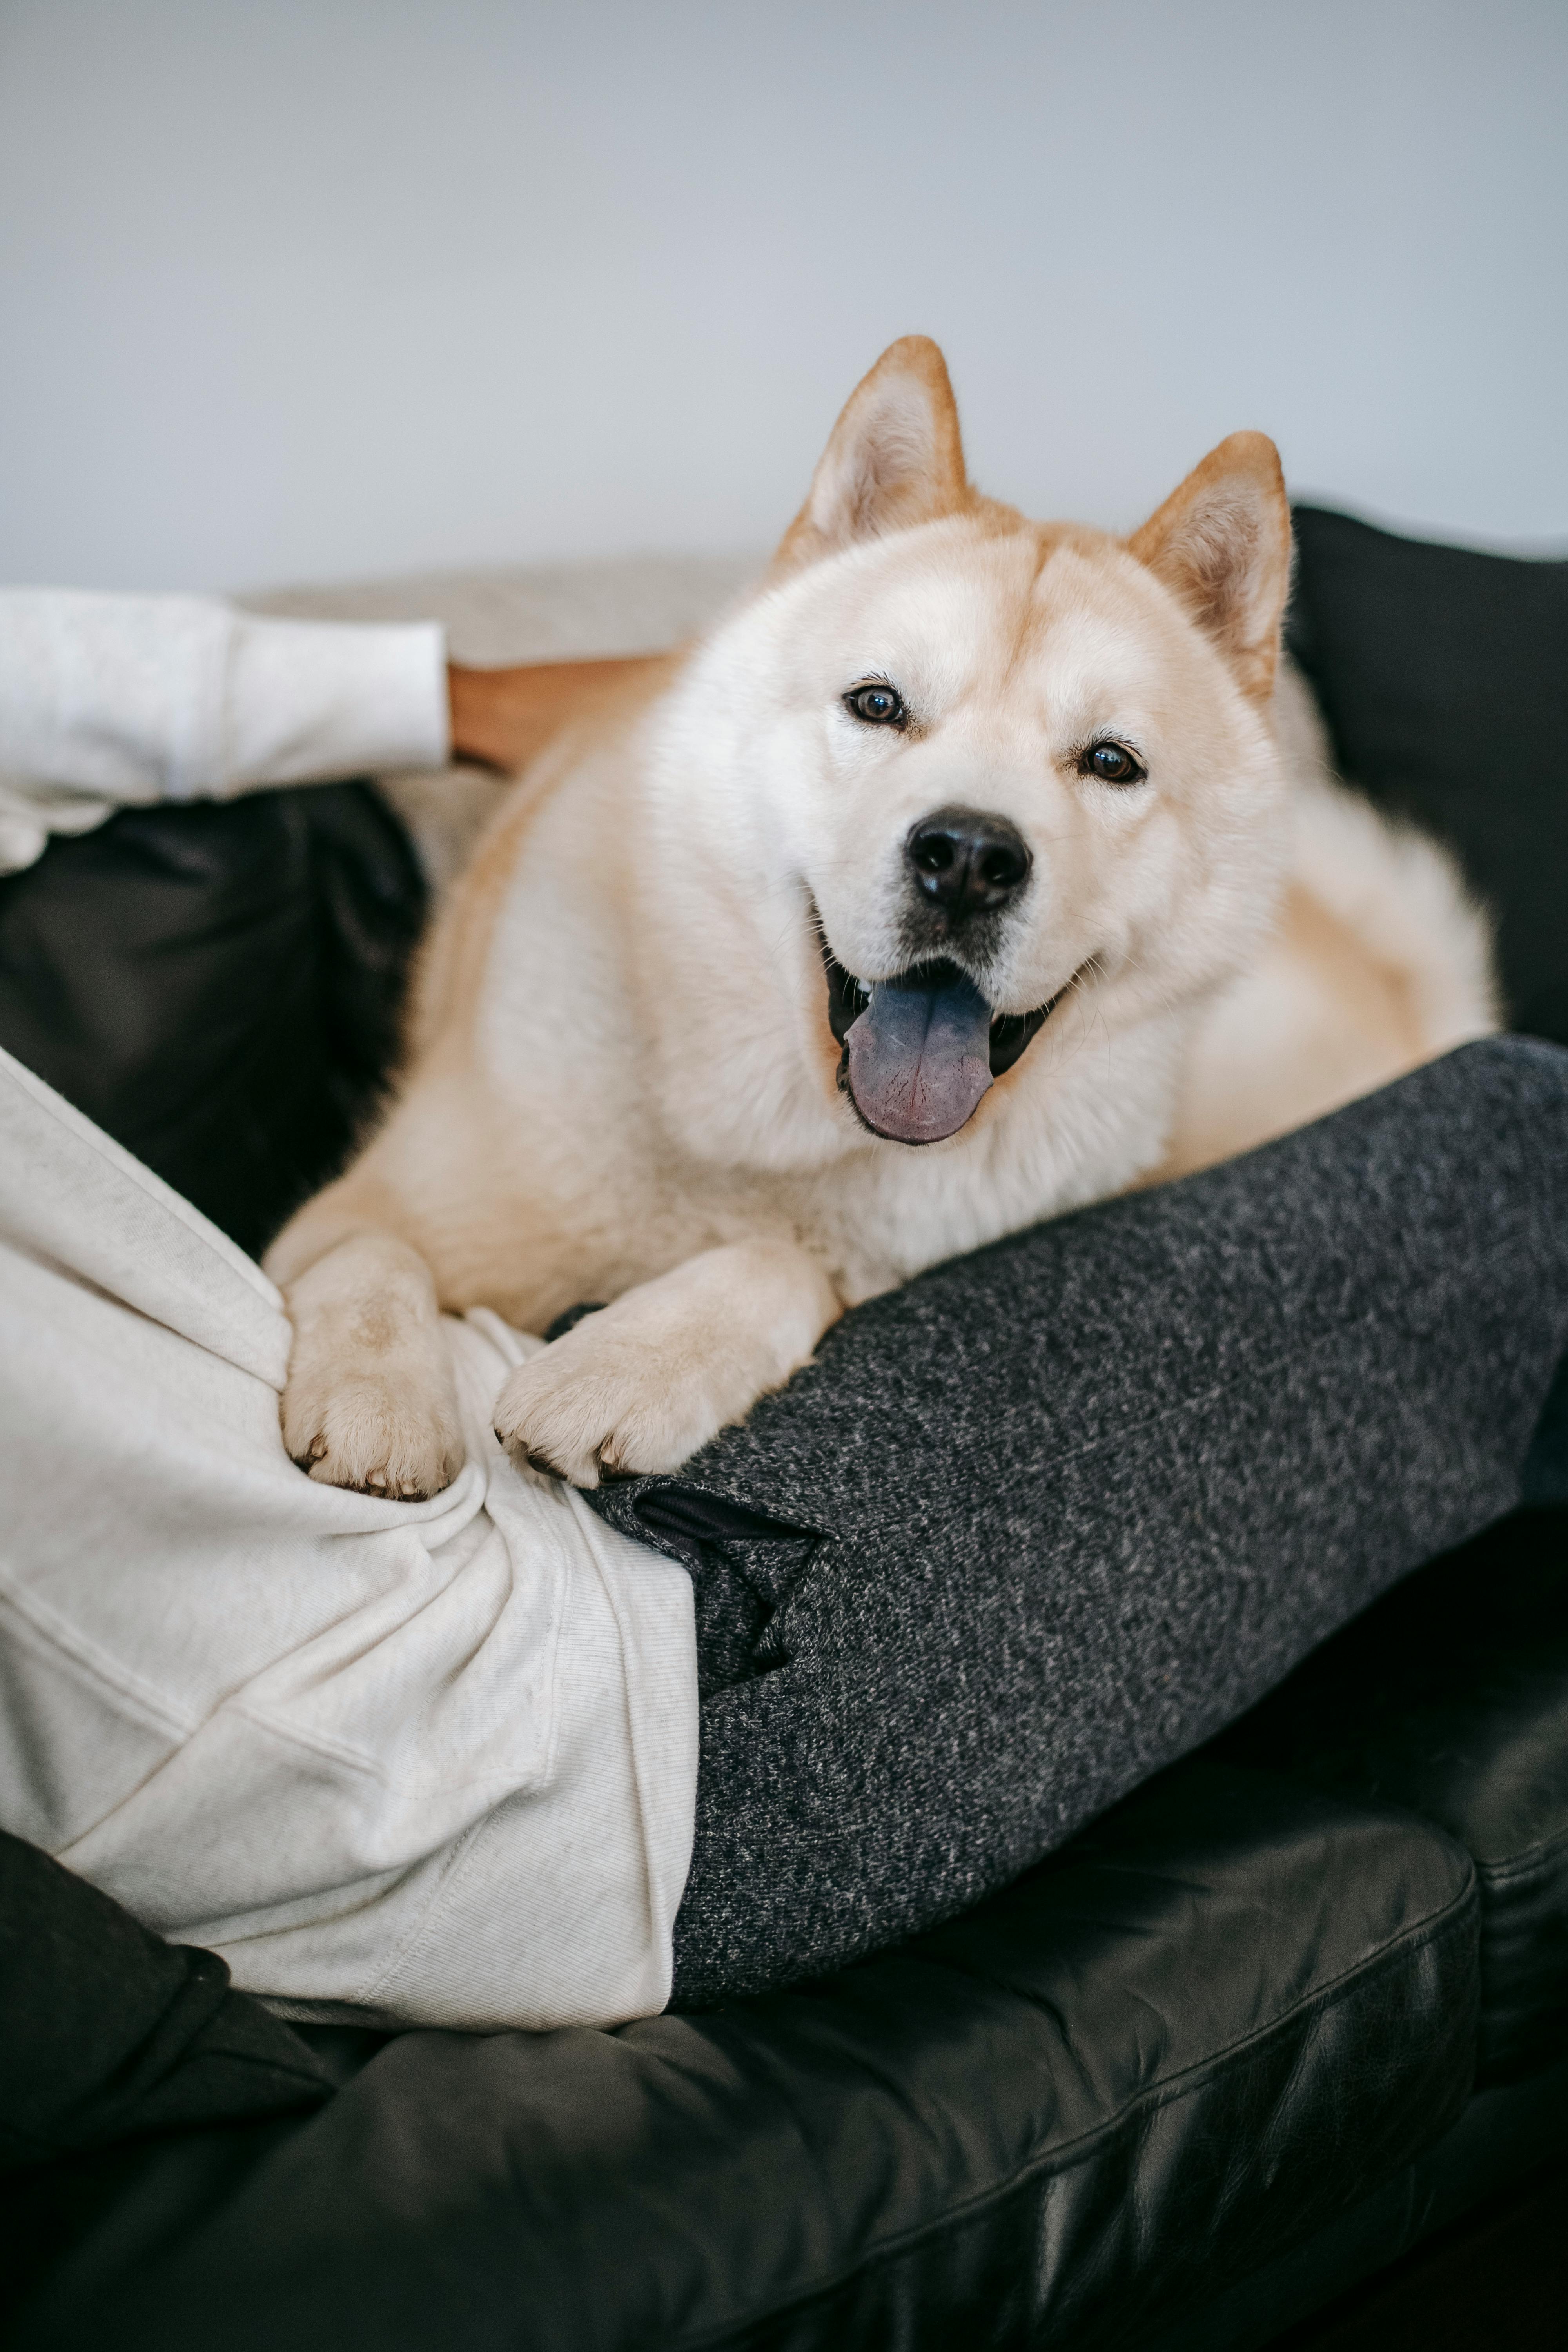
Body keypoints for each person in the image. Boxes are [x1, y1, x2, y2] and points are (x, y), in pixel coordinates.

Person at [1, 589, 1565, 2031]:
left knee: (1469, 1132)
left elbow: (83, 683)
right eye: (883, 706)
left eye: (1095, 755)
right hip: (578, 1729)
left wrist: (461, 698)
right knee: (1510, 1136)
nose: (972, 820)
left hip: (529, 1626)